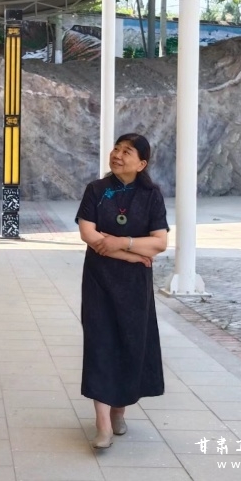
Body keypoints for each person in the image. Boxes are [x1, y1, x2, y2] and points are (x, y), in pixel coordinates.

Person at [75, 133, 169, 449]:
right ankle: (102, 424)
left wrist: (121, 242)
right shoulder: (96, 190)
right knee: (100, 344)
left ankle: (119, 410)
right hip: (99, 280)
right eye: (116, 148)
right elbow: (88, 234)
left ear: (141, 163)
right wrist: (131, 254)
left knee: (130, 344)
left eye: (127, 151)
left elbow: (159, 242)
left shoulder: (151, 195)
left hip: (134, 286)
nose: (117, 154)